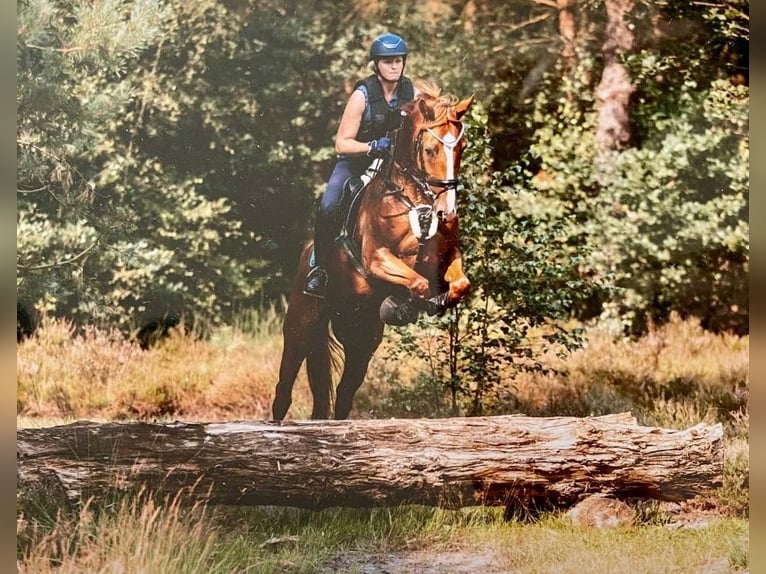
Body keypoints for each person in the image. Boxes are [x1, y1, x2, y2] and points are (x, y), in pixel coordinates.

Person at [303, 32, 417, 299]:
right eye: (388, 61)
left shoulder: (411, 92)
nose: (394, 66)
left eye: (399, 60)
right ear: (376, 64)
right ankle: (319, 269)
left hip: (394, 165)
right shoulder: (362, 96)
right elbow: (342, 143)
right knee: (329, 204)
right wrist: (371, 146)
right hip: (356, 162)